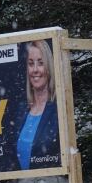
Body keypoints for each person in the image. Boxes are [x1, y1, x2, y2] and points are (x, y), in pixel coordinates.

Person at [13, 40, 61, 170]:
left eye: (40, 63)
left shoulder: (59, 109)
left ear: (49, 67)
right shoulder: (21, 109)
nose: (35, 70)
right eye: (30, 64)